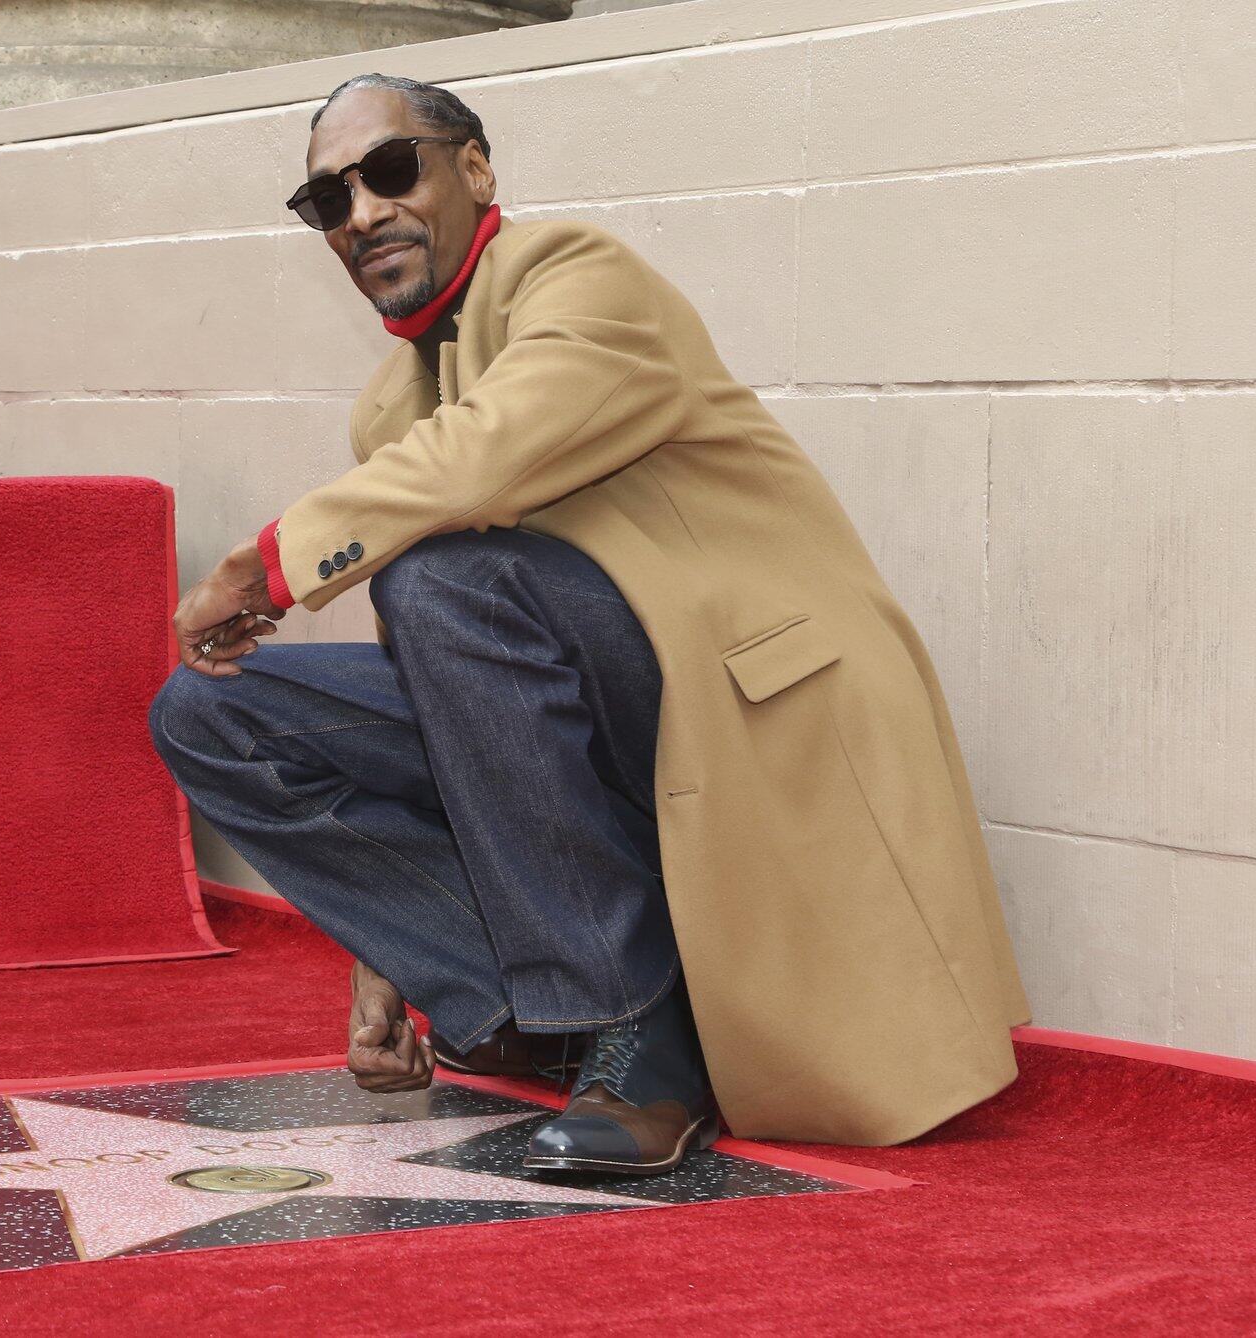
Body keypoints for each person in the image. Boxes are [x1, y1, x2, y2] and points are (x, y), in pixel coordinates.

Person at [147, 73, 1031, 1174]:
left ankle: (636, 1037)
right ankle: (538, 1013)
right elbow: (455, 681)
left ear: (475, 170)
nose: (362, 213)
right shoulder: (390, 403)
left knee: (441, 585)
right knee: (211, 715)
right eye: (329, 200)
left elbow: (494, 449)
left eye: (389, 171)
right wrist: (391, 959)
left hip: (733, 703)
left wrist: (267, 566)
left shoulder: (578, 276)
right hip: (588, 717)